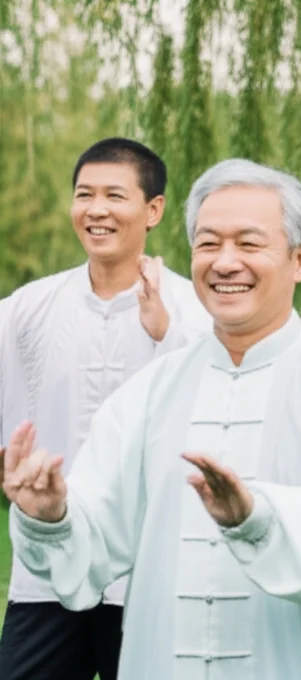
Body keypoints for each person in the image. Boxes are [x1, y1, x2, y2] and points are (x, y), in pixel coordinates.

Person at [3, 159, 301, 680]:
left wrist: (256, 518)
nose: (225, 262)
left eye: (248, 243)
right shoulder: (151, 389)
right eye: (208, 243)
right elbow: (93, 548)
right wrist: (51, 517)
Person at [0, 137, 210, 680]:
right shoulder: (29, 307)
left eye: (114, 195)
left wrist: (167, 331)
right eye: (83, 194)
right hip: (49, 559)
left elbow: (220, 406)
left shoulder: (196, 310)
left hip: (151, 567)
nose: (96, 210)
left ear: (154, 209)